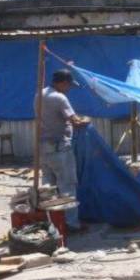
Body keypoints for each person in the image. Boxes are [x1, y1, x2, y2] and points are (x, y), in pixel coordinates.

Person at [37, 69, 89, 232]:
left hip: (43, 147)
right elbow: (75, 121)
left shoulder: (40, 94)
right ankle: (71, 224)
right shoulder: (59, 98)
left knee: (48, 187)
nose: (69, 89)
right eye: (68, 85)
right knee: (67, 185)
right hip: (59, 147)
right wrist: (86, 120)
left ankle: (51, 223)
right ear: (63, 83)